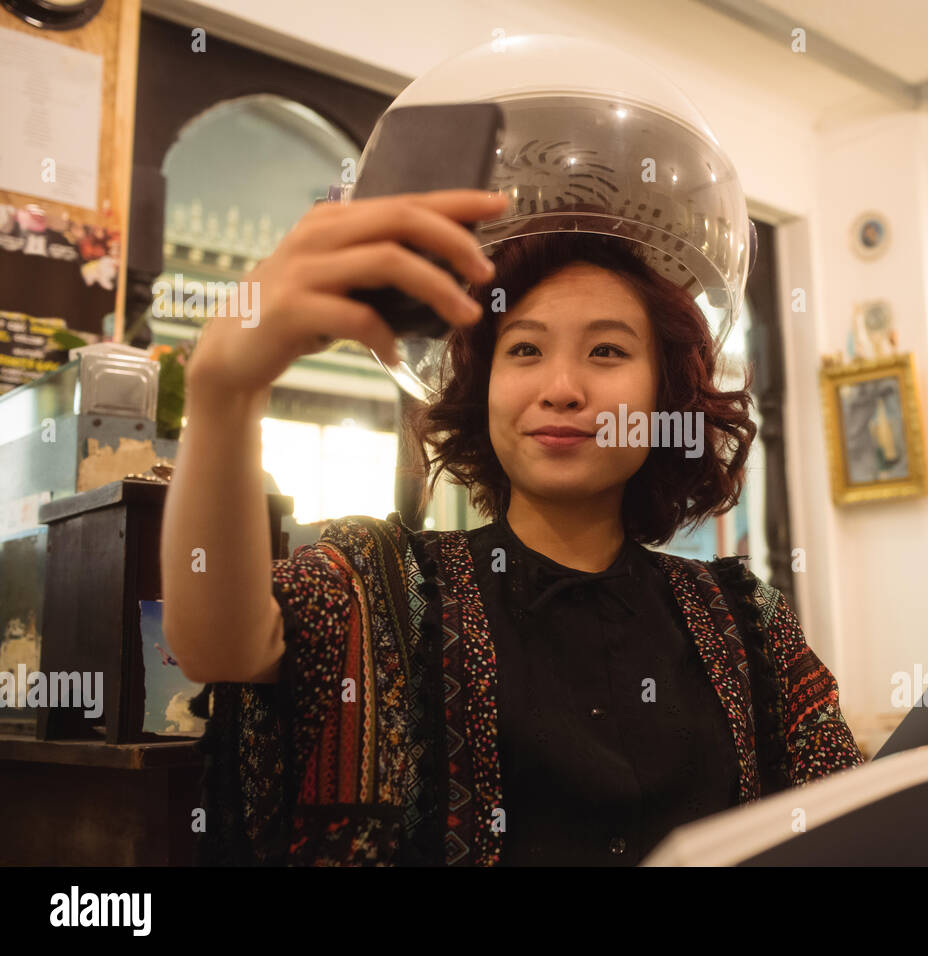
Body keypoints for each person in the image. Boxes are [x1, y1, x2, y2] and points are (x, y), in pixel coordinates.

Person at [160, 34, 865, 867]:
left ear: (667, 395)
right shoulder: (378, 589)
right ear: (481, 386)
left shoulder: (746, 624)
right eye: (524, 351)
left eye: (607, 352)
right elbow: (217, 643)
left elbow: (852, 817)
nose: (560, 387)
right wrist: (222, 392)